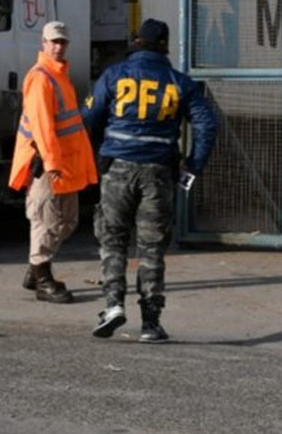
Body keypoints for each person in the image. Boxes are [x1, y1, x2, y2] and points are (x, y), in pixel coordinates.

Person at [82, 18, 218, 342]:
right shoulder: (179, 82)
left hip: (118, 169)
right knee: (152, 247)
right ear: (164, 47)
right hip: (158, 173)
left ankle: (113, 305)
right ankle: (150, 323)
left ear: (137, 41)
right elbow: (207, 124)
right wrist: (193, 166)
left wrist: (99, 153)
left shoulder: (114, 75)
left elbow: (88, 116)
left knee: (113, 238)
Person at [8, 21, 98, 303]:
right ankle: (43, 279)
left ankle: (36, 268)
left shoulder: (60, 77)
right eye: (53, 42)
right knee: (45, 220)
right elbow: (43, 127)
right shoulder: (41, 77)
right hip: (46, 164)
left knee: (68, 221)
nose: (58, 47)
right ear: (43, 43)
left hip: (63, 163)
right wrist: (51, 162)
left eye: (63, 42)